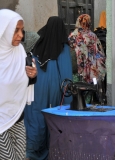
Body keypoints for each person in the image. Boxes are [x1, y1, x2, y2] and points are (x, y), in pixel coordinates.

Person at [24, 16, 73, 160]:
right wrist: (69, 99)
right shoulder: (62, 47)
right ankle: (50, 152)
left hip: (37, 87)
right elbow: (66, 75)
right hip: (53, 90)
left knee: (37, 117)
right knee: (52, 118)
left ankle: (34, 152)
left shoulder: (38, 42)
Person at [0, 9, 37, 160]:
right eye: (16, 30)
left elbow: (24, 81)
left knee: (20, 157)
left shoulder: (20, 51)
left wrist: (33, 75)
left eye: (22, 30)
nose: (20, 36)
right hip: (1, 120)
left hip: (17, 116)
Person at [68, 14, 106, 104]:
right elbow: (100, 54)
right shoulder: (93, 36)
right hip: (91, 72)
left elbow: (68, 53)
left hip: (76, 71)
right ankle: (86, 106)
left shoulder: (72, 36)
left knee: (76, 91)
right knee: (88, 91)